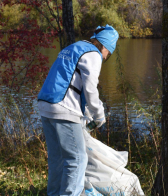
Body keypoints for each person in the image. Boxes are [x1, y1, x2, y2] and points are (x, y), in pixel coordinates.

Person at [37, 24, 119, 196]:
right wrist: (99, 115)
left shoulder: (74, 47)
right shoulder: (93, 54)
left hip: (46, 104)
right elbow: (90, 89)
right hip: (63, 109)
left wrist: (86, 113)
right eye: (108, 54)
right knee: (77, 159)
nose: (105, 58)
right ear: (104, 46)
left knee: (57, 159)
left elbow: (70, 82)